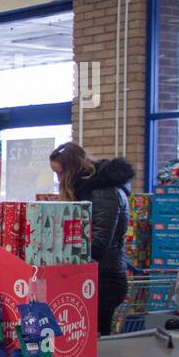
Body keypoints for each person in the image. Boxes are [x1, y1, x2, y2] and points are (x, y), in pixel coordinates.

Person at [49, 142, 133, 335]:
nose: (58, 178)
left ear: (71, 169)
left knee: (96, 339)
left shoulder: (104, 192)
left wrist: (61, 248)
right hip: (95, 275)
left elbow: (99, 244)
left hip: (105, 279)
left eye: (60, 172)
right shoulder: (88, 190)